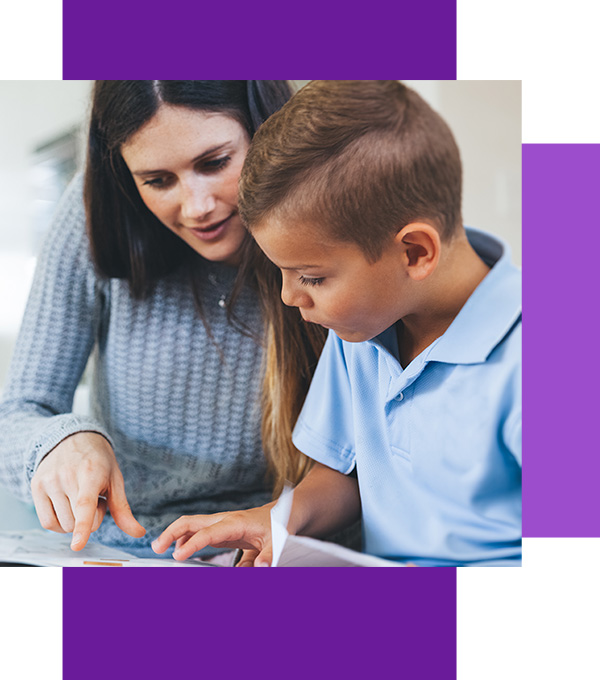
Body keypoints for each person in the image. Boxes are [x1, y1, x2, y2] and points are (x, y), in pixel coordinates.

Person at [152, 80, 522, 567]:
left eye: (310, 276)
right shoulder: (363, 330)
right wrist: (277, 521)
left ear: (414, 252)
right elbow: (343, 474)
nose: (288, 297)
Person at [0, 81, 326, 560]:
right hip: (126, 548)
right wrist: (59, 443)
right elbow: (15, 414)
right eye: (157, 181)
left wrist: (281, 522)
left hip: (274, 547)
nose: (196, 208)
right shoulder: (91, 211)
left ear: (267, 130)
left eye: (214, 163)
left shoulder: (332, 212)